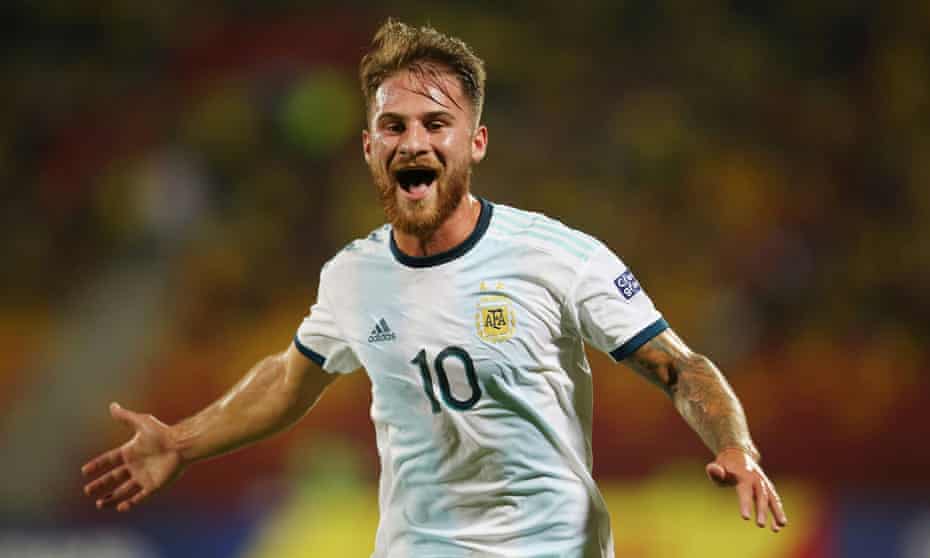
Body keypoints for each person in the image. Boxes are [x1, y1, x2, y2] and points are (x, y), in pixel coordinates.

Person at [82, 19, 788, 557]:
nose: (412, 142)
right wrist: (182, 439)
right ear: (369, 147)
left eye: (436, 124)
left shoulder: (556, 257)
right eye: (393, 126)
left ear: (474, 143)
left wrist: (736, 444)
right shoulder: (353, 276)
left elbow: (680, 366)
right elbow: (289, 379)